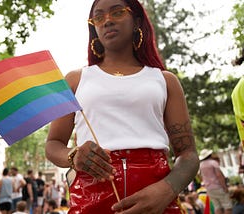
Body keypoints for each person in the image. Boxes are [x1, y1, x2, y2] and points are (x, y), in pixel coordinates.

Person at [45, 0, 199, 213]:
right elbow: (53, 145)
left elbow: (188, 154)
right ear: (94, 28)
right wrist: (74, 155)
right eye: (98, 17)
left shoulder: (165, 80)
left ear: (136, 20)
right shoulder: (74, 80)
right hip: (90, 198)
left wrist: (167, 190)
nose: (107, 21)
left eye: (117, 12)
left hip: (157, 196)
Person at [199, 149, 232, 214]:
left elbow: (201, 177)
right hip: (218, 186)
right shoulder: (213, 163)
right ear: (210, 155)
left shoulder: (201, 165)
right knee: (227, 207)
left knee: (217, 207)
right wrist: (224, 187)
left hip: (209, 188)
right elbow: (219, 175)